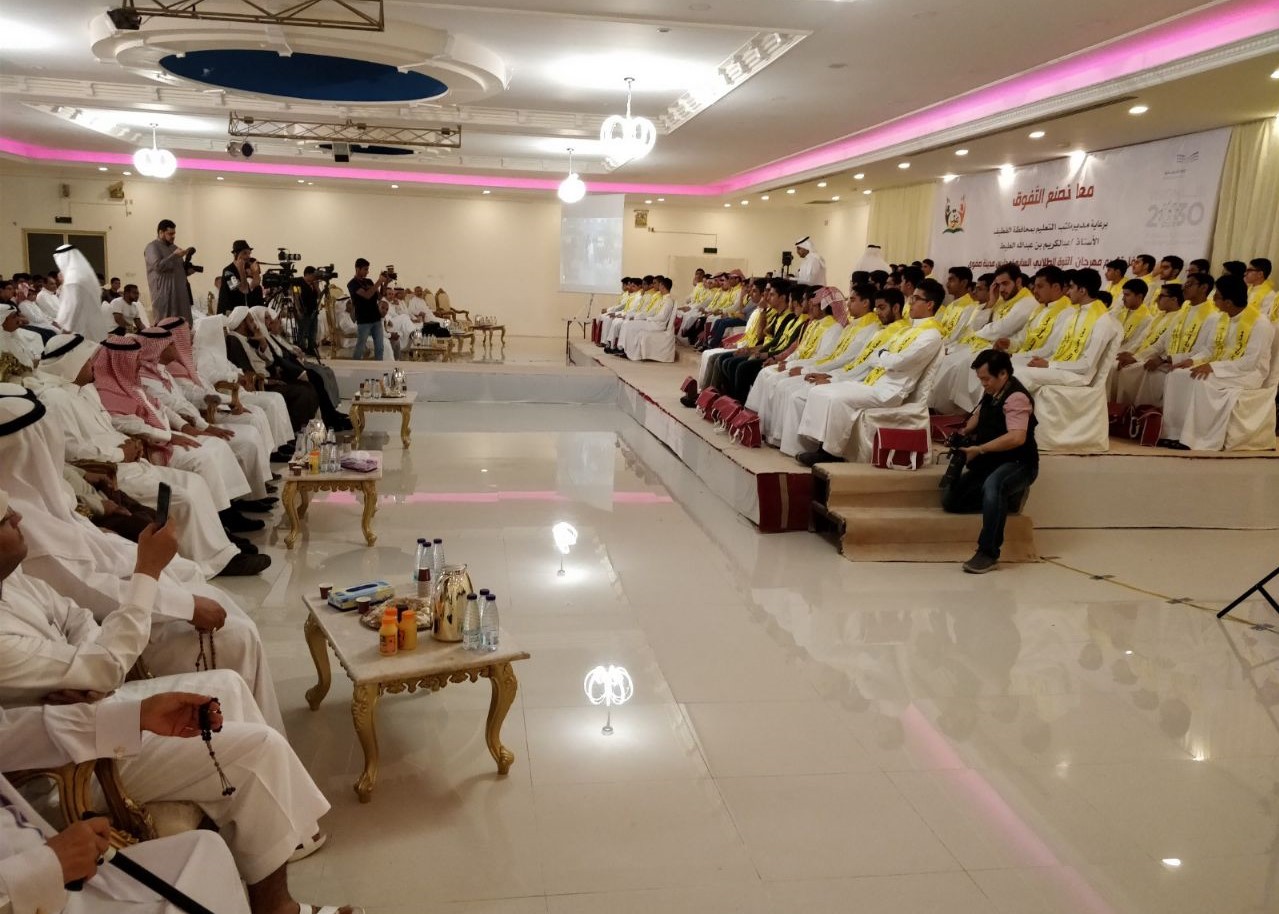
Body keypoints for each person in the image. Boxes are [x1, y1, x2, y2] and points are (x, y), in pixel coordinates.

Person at [0, 496, 359, 914]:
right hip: (59, 768)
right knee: (258, 752)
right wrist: (146, 574)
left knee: (227, 687)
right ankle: (277, 905)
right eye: (4, 519)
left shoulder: (13, 580)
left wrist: (95, 680)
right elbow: (102, 667)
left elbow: (76, 619)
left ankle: (266, 839)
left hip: (79, 718)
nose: (18, 515)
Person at [0, 687, 256, 914]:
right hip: (24, 887)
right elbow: (100, 669)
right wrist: (47, 866)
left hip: (40, 862)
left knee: (206, 851)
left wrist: (136, 717)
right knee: (258, 748)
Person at [27, 333, 259, 577]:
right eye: (86, 362)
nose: (92, 365)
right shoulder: (55, 399)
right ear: (70, 364)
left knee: (197, 483)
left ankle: (221, 549)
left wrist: (130, 445)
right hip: (111, 470)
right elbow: (72, 450)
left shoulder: (82, 391)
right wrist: (120, 452)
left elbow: (108, 427)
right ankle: (211, 563)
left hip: (130, 461)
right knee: (183, 497)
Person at [792, 280, 945, 463]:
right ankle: (820, 445)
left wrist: (884, 356)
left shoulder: (931, 335)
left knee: (835, 398)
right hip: (875, 381)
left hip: (890, 391)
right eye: (911, 298)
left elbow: (900, 362)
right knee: (819, 391)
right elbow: (876, 357)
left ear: (930, 304)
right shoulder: (910, 330)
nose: (910, 302)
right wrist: (885, 357)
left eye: (916, 299)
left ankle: (831, 454)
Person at [941, 348, 1038, 574]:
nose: (983, 384)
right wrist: (964, 431)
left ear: (1003, 374)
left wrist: (980, 448)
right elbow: (980, 414)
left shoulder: (1016, 398)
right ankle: (1006, 500)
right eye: (980, 379)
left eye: (986, 379)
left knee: (994, 486)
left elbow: (1017, 437)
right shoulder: (993, 391)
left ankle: (988, 552)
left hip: (1018, 463)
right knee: (951, 500)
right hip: (990, 461)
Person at [1160, 274, 1275, 450]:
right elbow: (1210, 350)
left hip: (1248, 374)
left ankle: (1198, 438)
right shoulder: (1224, 317)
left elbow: (1250, 361)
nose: (1213, 299)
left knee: (1201, 381)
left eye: (1217, 296)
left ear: (1228, 302)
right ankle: (1174, 432)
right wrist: (1191, 361)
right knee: (1176, 375)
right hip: (1222, 367)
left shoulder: (1260, 324)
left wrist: (1213, 367)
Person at [53, 245, 111, 342]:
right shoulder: (83, 274)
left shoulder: (73, 278)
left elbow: (74, 308)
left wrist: (65, 332)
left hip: (82, 327)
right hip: (94, 323)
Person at [144, 220, 194, 323]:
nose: (173, 236)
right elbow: (157, 266)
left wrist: (188, 271)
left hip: (180, 294)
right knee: (166, 325)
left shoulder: (174, 248)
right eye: (170, 234)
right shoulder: (152, 247)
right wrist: (174, 255)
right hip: (164, 295)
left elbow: (178, 270)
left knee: (183, 325)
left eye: (174, 233)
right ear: (161, 232)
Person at [346, 258, 391, 360]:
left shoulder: (369, 281)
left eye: (368, 269)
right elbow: (367, 295)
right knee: (361, 347)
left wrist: (385, 283)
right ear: (357, 269)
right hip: (364, 319)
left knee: (380, 347)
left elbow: (379, 296)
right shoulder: (352, 284)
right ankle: (355, 366)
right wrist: (379, 281)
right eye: (365, 269)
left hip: (376, 318)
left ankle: (379, 367)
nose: (367, 272)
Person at [217, 240, 257, 316]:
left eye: (249, 253)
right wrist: (241, 270)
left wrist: (255, 272)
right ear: (235, 254)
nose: (248, 256)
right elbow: (244, 290)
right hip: (229, 313)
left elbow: (253, 286)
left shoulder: (246, 269)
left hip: (241, 312)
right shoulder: (228, 271)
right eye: (244, 253)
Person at [295, 266, 321, 356]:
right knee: (303, 330)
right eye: (313, 275)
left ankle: (311, 348)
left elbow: (319, 296)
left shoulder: (313, 284)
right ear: (307, 274)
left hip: (313, 311)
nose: (315, 278)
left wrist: (317, 287)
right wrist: (298, 310)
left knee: (313, 331)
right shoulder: (299, 282)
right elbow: (296, 296)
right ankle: (301, 348)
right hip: (303, 311)